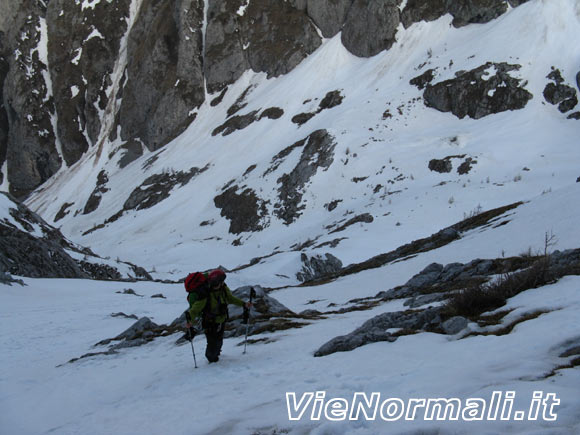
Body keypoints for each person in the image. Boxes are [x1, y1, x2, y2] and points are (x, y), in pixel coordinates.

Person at [186, 269, 251, 363]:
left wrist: (244, 304)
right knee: (212, 342)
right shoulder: (205, 294)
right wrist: (190, 320)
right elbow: (195, 309)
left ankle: (216, 355)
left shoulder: (224, 289)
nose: (221, 284)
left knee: (219, 339)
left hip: (221, 319)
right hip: (209, 322)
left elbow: (231, 299)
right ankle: (212, 359)